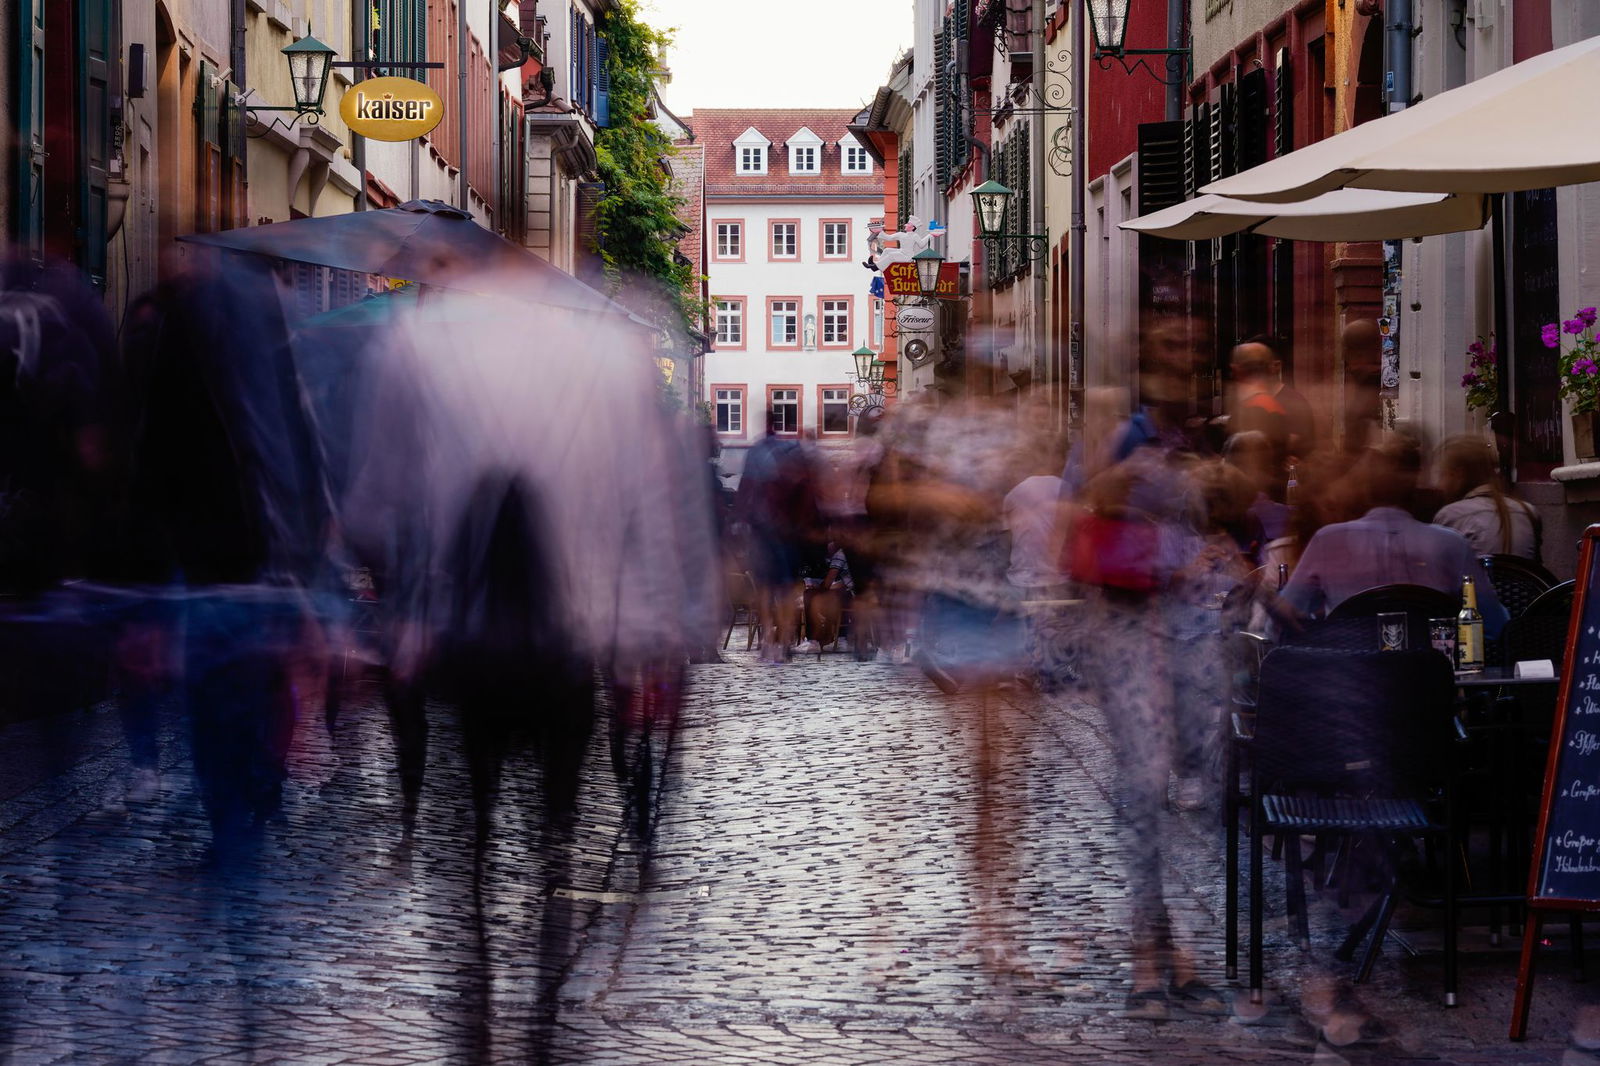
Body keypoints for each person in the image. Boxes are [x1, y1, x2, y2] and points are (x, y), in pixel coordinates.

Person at [1280, 438, 1509, 636]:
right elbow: (1496, 623)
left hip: (1351, 678)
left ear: (1365, 490)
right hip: (1431, 680)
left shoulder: (1328, 541)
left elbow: (1284, 619)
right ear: (1416, 489)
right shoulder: (1451, 544)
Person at [1432, 435, 1542, 561]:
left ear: (1458, 474)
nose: (1438, 483)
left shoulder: (1450, 516)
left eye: (1442, 474)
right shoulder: (1529, 512)